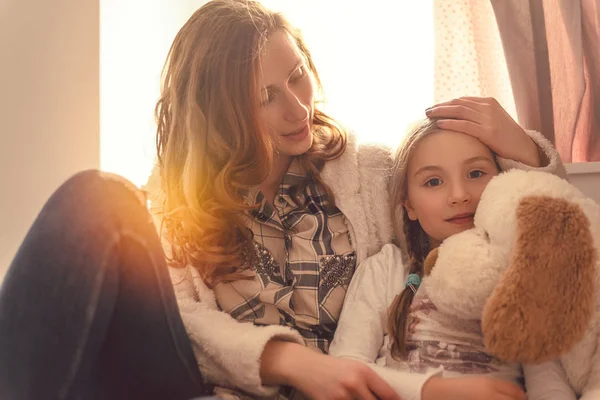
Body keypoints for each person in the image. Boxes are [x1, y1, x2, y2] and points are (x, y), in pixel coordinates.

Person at [0, 0, 566, 399]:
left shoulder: (369, 173)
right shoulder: (175, 199)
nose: (298, 109)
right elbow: (185, 326)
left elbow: (503, 214)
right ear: (221, 114)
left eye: (298, 77)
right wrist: (287, 361)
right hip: (210, 385)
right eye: (266, 97)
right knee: (98, 199)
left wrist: (522, 148)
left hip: (355, 382)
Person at [328, 118, 572, 400]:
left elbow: (549, 379)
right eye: (433, 181)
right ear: (410, 206)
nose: (459, 195)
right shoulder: (387, 268)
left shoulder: (519, 271)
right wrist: (438, 391)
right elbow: (346, 367)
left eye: (475, 173)